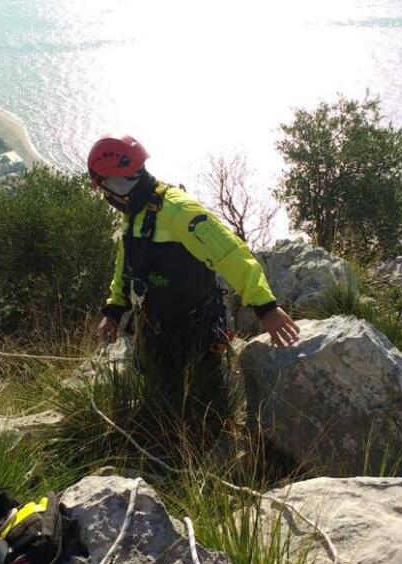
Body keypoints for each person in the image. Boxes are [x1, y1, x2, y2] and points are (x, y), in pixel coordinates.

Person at [89, 134, 299, 439]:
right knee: (162, 397)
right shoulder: (133, 214)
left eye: (109, 186)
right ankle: (171, 447)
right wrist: (114, 308)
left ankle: (215, 452)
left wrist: (265, 308)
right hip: (155, 327)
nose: (109, 194)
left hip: (195, 326)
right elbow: (127, 262)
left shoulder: (178, 211)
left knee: (207, 401)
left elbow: (231, 254)